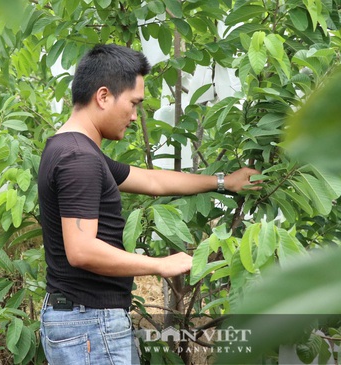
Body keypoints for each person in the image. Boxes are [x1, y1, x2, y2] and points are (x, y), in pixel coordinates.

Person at [37, 43, 261, 364]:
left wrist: (225, 182)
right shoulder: (79, 159)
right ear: (103, 96)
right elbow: (81, 250)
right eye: (133, 103)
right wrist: (159, 265)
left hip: (82, 320)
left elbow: (153, 182)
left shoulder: (70, 148)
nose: (133, 115)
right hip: (89, 323)